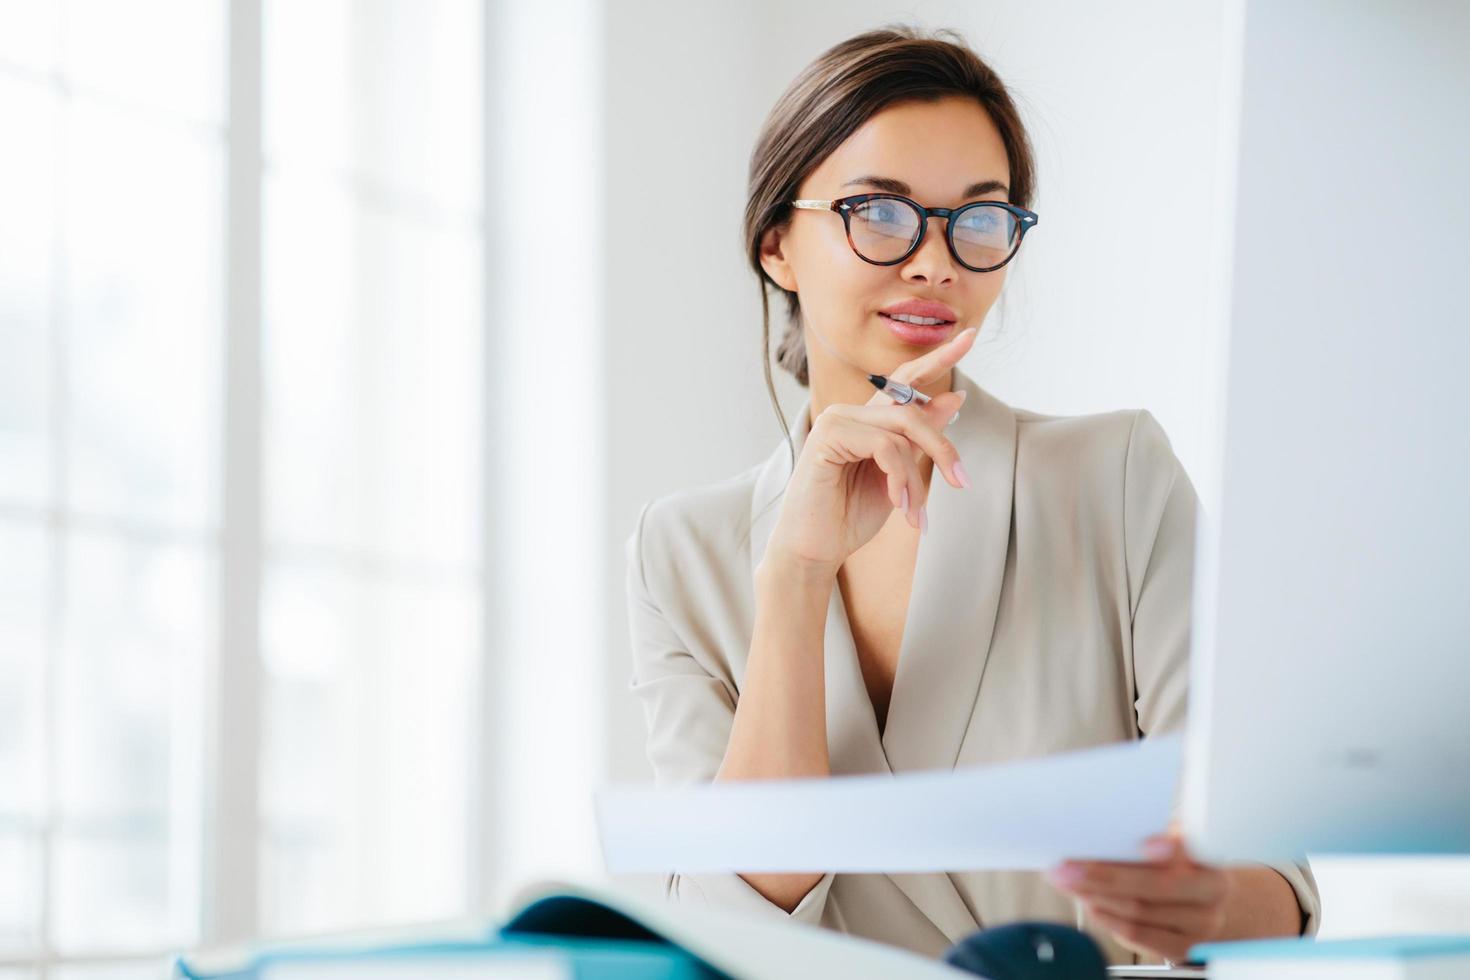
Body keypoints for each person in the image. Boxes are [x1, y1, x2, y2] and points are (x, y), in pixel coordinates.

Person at [622, 24, 1320, 968]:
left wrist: (1198, 903)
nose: (936, 261)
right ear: (777, 243)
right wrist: (794, 577)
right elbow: (727, 923)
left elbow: (1276, 880)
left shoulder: (1113, 477)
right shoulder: (684, 549)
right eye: (880, 212)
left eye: (980, 217)